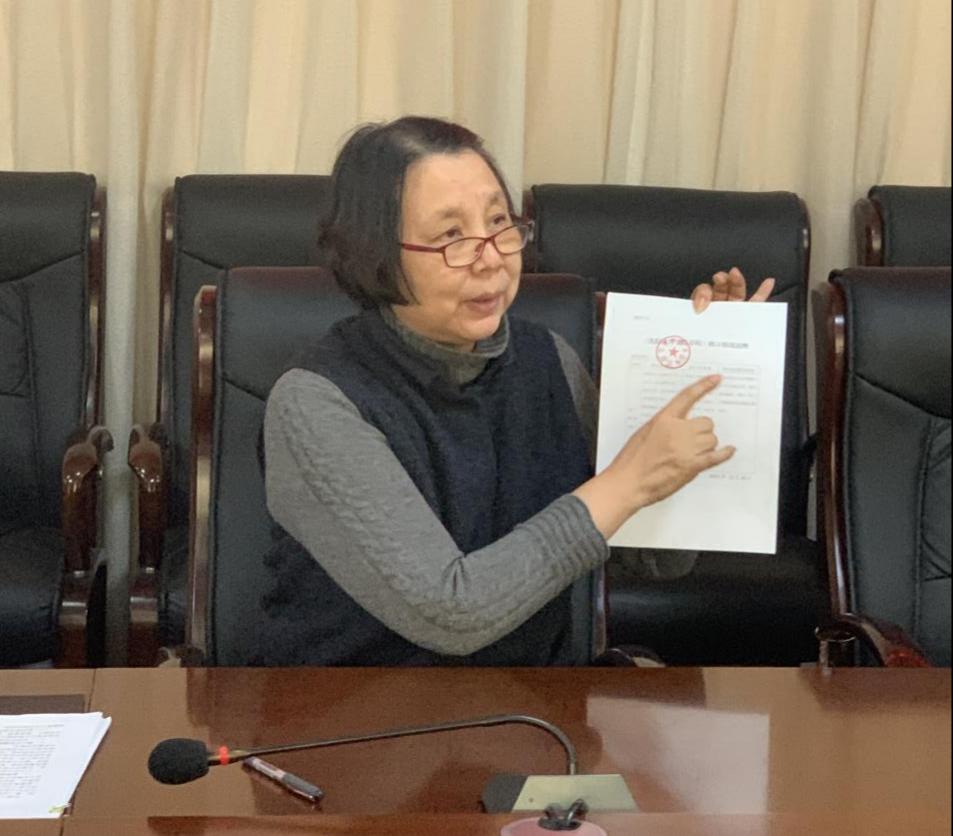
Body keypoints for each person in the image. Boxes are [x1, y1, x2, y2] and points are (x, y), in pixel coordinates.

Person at [255, 116, 774, 666]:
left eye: (499, 222)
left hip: (533, 703)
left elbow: (657, 560)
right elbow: (451, 613)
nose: (492, 258)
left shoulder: (549, 360)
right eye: (451, 236)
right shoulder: (316, 401)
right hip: (356, 706)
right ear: (376, 253)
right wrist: (626, 481)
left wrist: (705, 380)